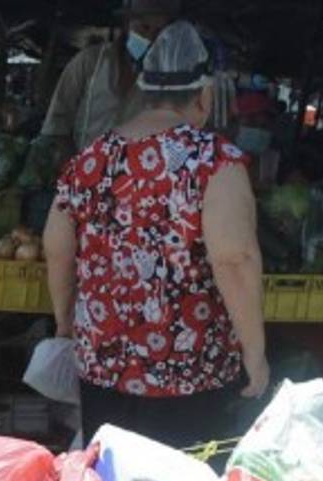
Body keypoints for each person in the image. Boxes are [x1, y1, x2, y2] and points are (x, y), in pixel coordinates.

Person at [44, 20, 270, 449]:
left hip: (103, 365)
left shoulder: (90, 159)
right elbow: (234, 257)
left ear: (144, 90)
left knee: (109, 480)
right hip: (190, 373)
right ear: (204, 96)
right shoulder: (214, 161)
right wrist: (254, 353)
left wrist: (64, 321)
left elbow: (57, 247)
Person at [41, 0, 179, 155]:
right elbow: (56, 126)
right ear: (127, 24)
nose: (150, 38)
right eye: (144, 27)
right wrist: (78, 163)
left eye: (159, 32)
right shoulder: (90, 62)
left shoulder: (167, 81)